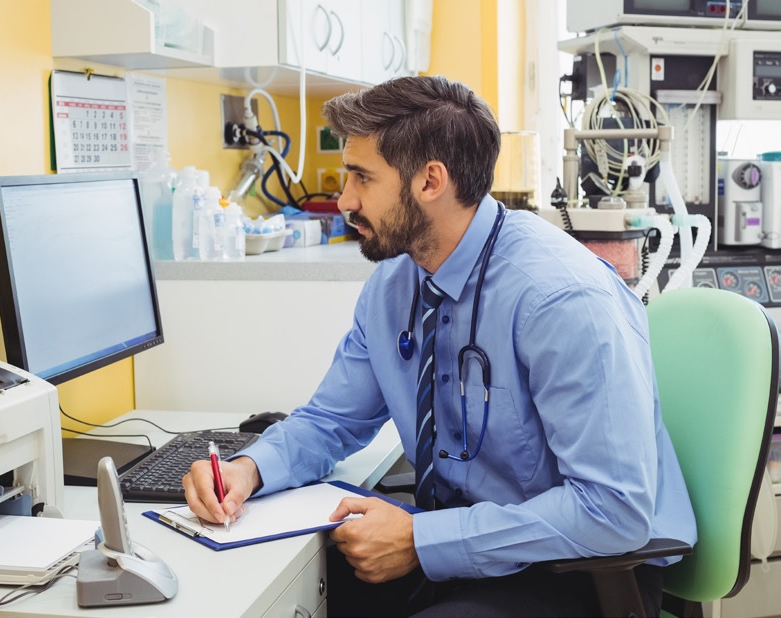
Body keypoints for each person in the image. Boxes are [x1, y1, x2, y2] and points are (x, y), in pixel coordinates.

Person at [183, 75, 697, 616]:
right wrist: (248, 471)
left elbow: (613, 511)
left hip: (579, 566)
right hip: (462, 542)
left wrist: (423, 541)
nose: (344, 200)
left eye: (361, 177)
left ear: (431, 181)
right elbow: (331, 420)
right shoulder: (395, 285)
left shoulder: (561, 299)